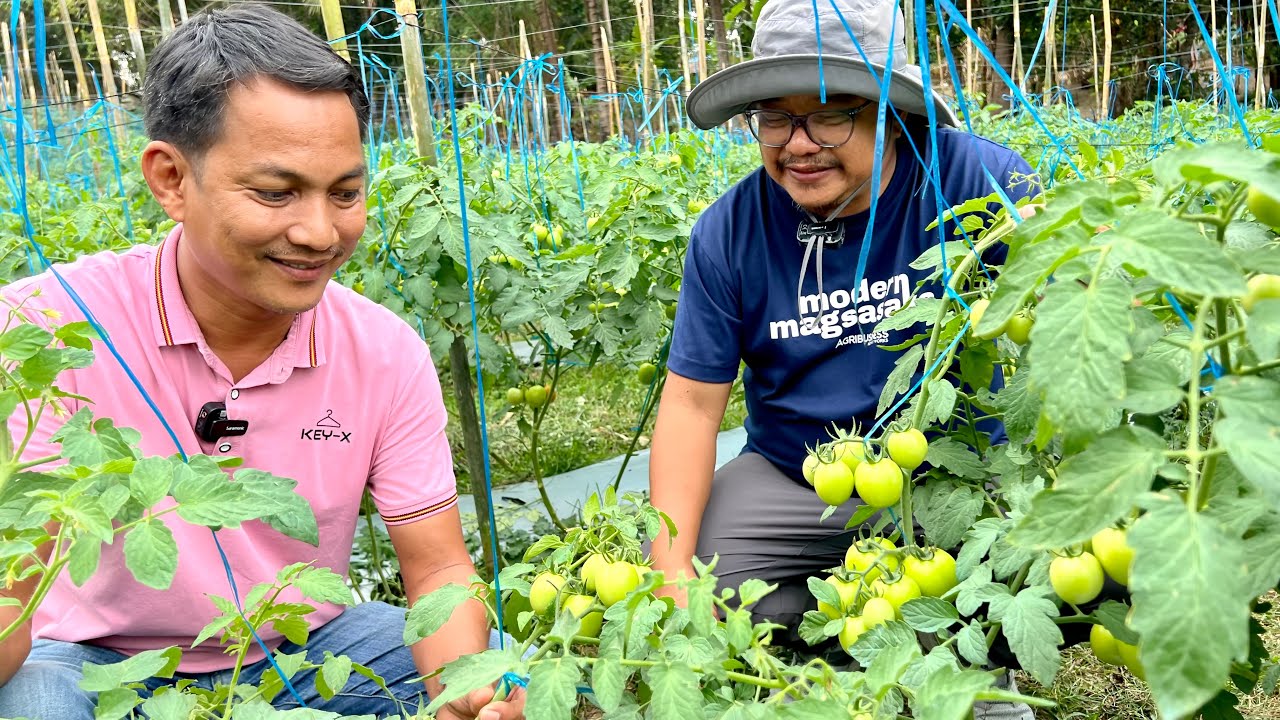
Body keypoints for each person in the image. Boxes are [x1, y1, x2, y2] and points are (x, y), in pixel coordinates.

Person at [0, 7, 523, 720]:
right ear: (171, 179)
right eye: (276, 192)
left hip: (298, 652)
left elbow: (435, 568)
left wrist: (466, 691)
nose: (318, 233)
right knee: (34, 702)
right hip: (92, 662)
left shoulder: (383, 351)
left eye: (345, 192)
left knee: (499, 670)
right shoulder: (39, 332)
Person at [648, 0, 1038, 715]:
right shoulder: (729, 230)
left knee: (993, 603)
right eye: (775, 116)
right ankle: (845, 639)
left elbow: (1062, 297)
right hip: (797, 471)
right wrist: (670, 574)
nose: (799, 144)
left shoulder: (972, 180)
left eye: (829, 113)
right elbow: (690, 404)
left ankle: (972, 673)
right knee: (712, 577)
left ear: (890, 110)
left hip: (943, 476)